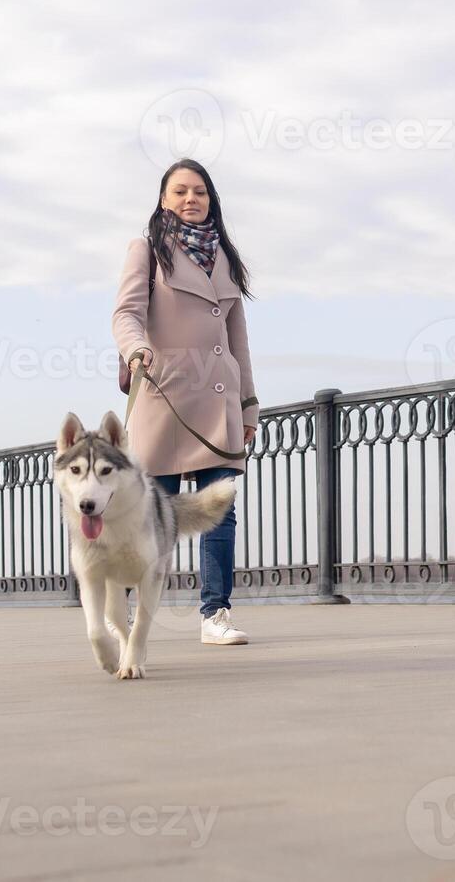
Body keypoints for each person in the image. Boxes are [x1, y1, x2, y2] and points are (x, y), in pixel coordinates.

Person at [111, 159, 259, 645]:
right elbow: (126, 314)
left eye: (199, 192)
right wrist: (135, 350)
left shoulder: (226, 260)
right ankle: (126, 611)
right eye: (180, 192)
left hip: (219, 403)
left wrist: (248, 407)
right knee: (153, 518)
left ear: (211, 199)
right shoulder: (147, 250)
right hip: (164, 397)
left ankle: (215, 614)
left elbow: (239, 344)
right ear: (163, 199)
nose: (190, 199)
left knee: (220, 510)